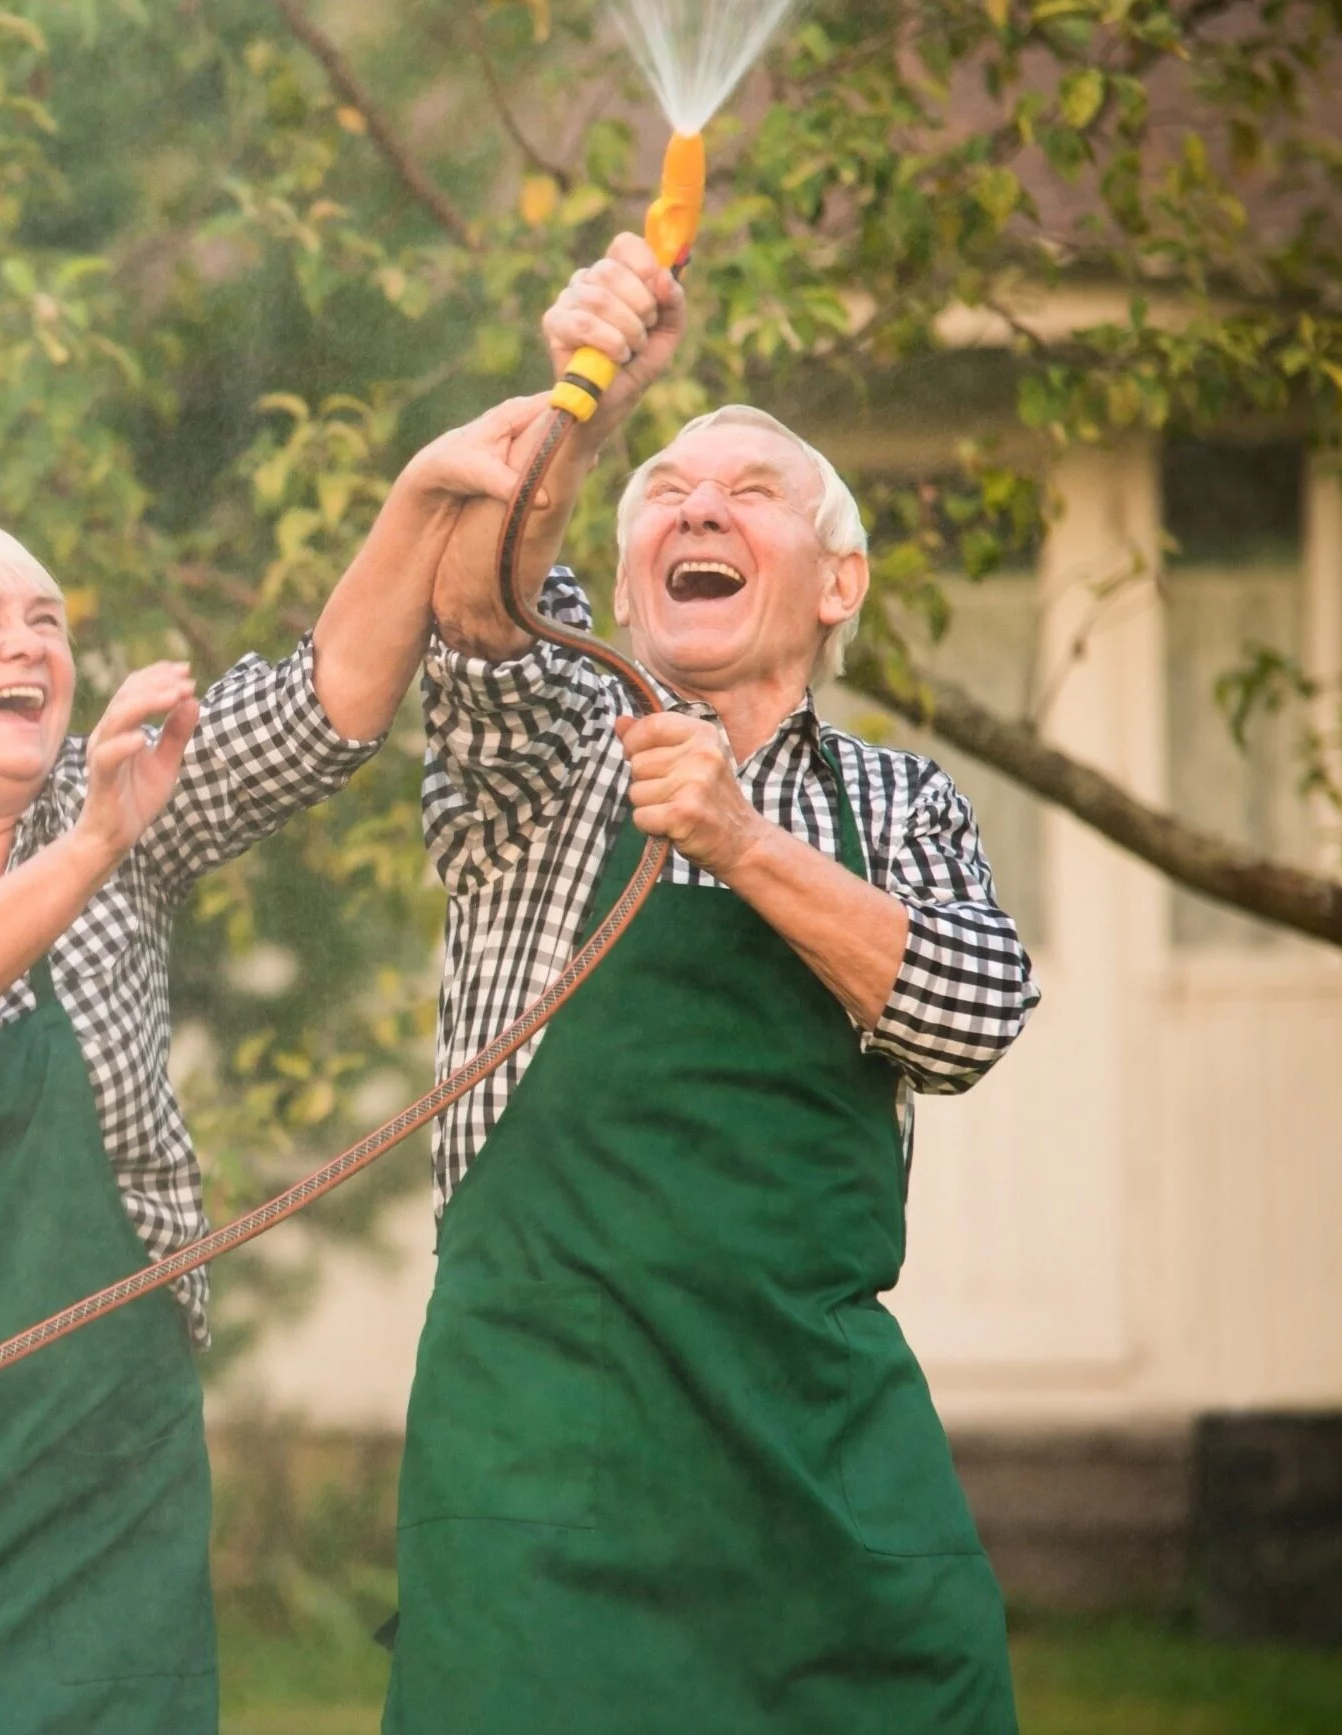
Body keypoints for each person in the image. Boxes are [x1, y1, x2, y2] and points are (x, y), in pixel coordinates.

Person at [0, 269, 639, 1733]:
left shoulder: (117, 795)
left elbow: (330, 700)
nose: (32, 642)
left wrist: (412, 505)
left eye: (47, 616)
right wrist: (90, 850)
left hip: (94, 1469)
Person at [381, 233, 1040, 1733]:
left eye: (751, 493)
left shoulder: (904, 806)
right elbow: (479, 605)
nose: (700, 507)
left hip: (816, 1455)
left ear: (837, 579)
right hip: (546, 1469)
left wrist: (740, 839)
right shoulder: (545, 752)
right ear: (619, 589)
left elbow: (973, 1015)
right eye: (665, 497)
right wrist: (589, 401)